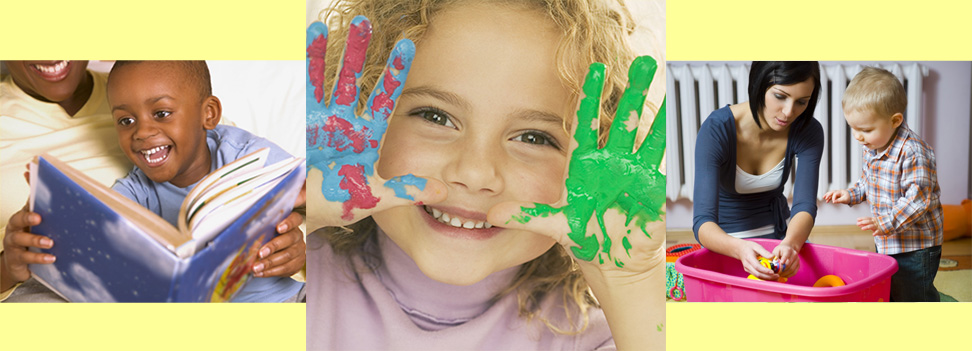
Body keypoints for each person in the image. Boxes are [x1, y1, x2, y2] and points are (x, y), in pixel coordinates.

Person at [305, 0, 665, 350]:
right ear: (363, 108)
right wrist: (299, 207)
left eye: (533, 138)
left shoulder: (605, 338)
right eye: (436, 117)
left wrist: (628, 284)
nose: (476, 173)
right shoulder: (291, 276)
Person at [1, 61, 306, 302]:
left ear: (209, 114)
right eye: (125, 121)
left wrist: (296, 240)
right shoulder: (134, 190)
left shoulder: (246, 154)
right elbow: (105, 236)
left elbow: (303, 197)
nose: (142, 132)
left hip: (282, 300)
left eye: (161, 113)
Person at [692, 61, 824, 281]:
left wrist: (791, 244)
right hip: (729, 244)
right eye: (780, 96)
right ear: (759, 84)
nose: (789, 112)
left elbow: (805, 205)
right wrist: (740, 250)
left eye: (802, 102)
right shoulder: (717, 129)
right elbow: (703, 223)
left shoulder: (808, 129)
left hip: (781, 239)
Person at [823, 66, 943, 302]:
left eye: (865, 130)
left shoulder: (913, 152)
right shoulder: (874, 145)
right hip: (887, 239)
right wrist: (851, 194)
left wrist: (884, 222)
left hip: (916, 246)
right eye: (853, 128)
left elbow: (918, 201)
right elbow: (870, 181)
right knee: (893, 288)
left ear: (895, 120)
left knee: (914, 293)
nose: (858, 136)